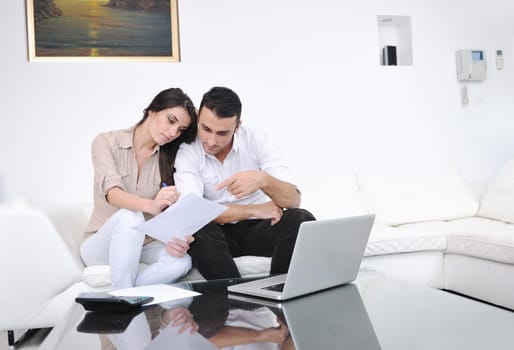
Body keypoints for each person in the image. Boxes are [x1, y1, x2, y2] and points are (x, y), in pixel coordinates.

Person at [174, 86, 315, 279]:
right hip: (218, 234)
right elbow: (194, 211)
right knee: (199, 230)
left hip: (258, 229)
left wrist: (263, 180)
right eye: (206, 129)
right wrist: (253, 210)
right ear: (199, 117)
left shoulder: (257, 140)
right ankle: (235, 301)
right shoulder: (188, 150)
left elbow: (292, 200)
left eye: (222, 133)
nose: (212, 141)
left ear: (237, 126)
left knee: (301, 218)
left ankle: (278, 292)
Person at [80, 87, 198, 289]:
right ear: (152, 110)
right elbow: (113, 194)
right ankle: (126, 297)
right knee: (130, 216)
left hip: (146, 243)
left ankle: (127, 295)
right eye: (171, 120)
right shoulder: (106, 142)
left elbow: (171, 211)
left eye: (180, 130)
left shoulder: (170, 157)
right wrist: (151, 205)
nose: (173, 132)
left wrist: (175, 239)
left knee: (181, 262)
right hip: (102, 244)